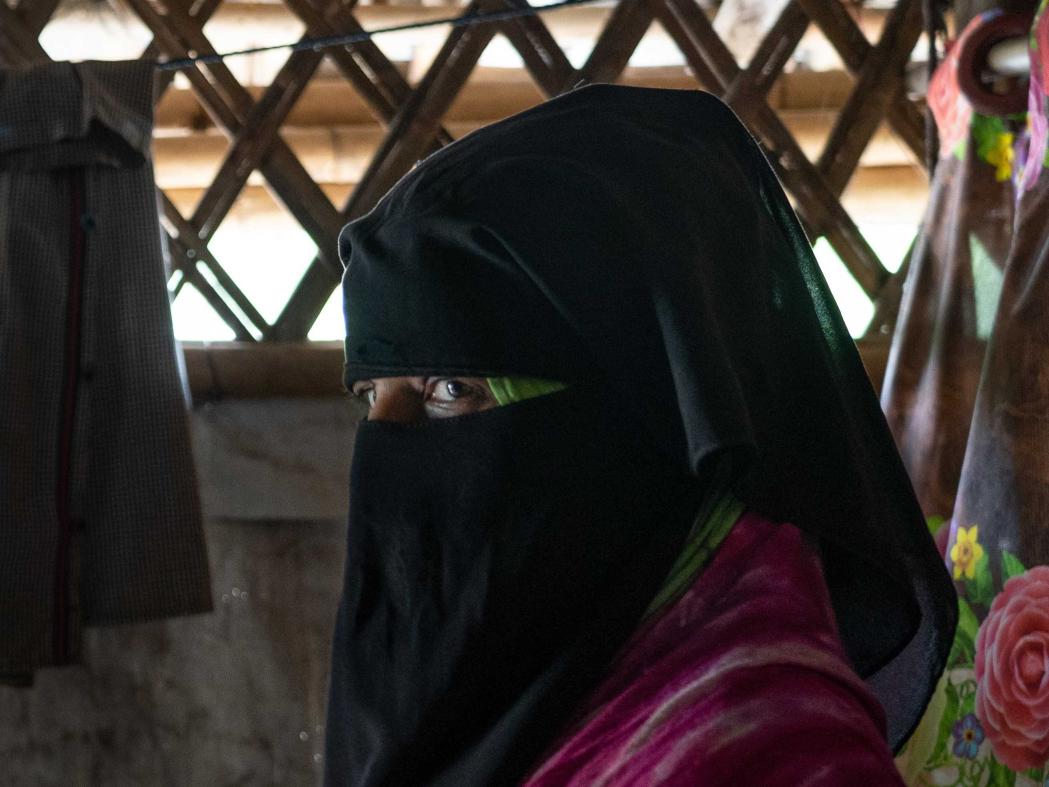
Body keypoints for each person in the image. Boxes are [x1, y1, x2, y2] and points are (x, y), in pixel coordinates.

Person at [324, 85, 956, 785]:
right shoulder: (522, 701)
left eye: (449, 389)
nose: (379, 454)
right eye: (367, 398)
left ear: (631, 411)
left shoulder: (772, 754)